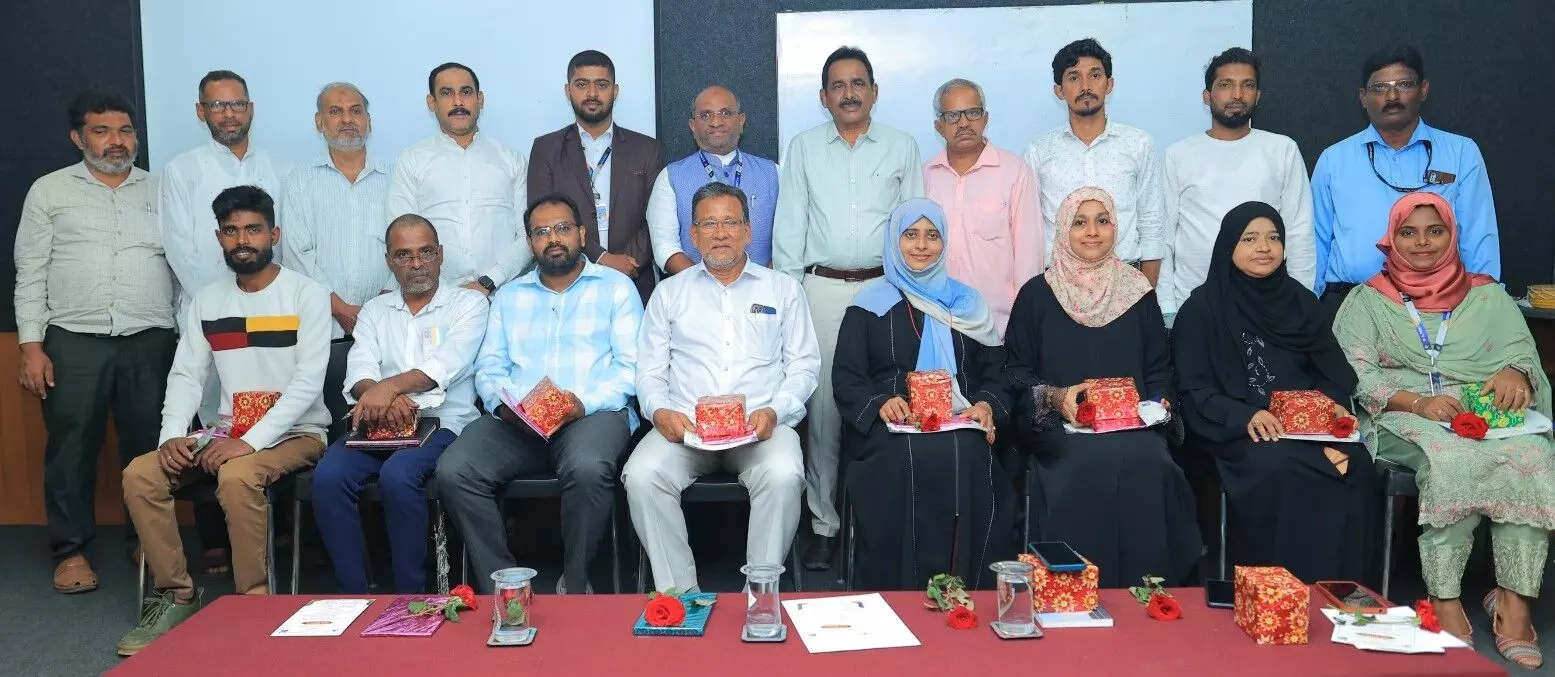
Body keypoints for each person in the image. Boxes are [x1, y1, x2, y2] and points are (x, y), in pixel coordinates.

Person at [1334, 192, 1551, 668]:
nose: (1422, 243)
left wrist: (1516, 373)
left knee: (1533, 455)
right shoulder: (1367, 300)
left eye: (1435, 231)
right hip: (1402, 411)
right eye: (1408, 233)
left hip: (1480, 409)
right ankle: (1445, 598)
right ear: (1390, 240)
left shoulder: (1488, 295)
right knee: (1451, 457)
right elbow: (1354, 375)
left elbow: (1524, 355)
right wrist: (1419, 402)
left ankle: (1514, 601)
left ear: (1452, 236)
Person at [118, 186, 331, 656]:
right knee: (141, 473)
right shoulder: (207, 300)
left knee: (236, 475)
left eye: (253, 229)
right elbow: (186, 376)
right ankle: (177, 595)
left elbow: (307, 385)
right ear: (219, 238)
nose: (242, 240)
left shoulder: (307, 294)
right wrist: (172, 437)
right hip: (225, 432)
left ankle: (253, 605)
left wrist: (250, 442)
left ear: (274, 234)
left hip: (298, 432)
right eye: (231, 231)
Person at [435, 193, 643, 595]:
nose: (553, 239)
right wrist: (504, 407)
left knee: (587, 468)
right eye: (542, 232)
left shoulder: (615, 288)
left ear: (582, 234)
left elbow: (632, 368)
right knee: (455, 469)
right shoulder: (509, 296)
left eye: (563, 228)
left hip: (591, 415)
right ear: (530, 242)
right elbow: (489, 367)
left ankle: (575, 582)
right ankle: (505, 586)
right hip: (518, 421)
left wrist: (582, 404)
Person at [14, 91, 177, 594]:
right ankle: (71, 552)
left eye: (125, 131)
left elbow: (183, 265)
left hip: (150, 337)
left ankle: (145, 541)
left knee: (148, 446)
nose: (116, 141)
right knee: (72, 447)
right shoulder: (49, 191)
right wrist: (31, 345)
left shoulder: (163, 189)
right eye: (102, 131)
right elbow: (30, 271)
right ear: (78, 137)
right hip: (73, 339)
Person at [624, 183, 818, 593]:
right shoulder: (669, 293)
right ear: (693, 236)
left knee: (784, 475)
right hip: (686, 429)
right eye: (708, 224)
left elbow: (804, 367)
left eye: (730, 222)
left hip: (760, 427)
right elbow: (649, 373)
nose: (720, 233)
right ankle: (680, 598)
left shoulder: (782, 289)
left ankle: (760, 598)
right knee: (642, 475)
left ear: (748, 230)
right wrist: (659, 411)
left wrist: (776, 411)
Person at [772, 46, 924, 569]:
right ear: (823, 97)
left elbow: (916, 224)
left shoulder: (902, 146)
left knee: (892, 396)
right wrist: (790, 298)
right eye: (838, 85)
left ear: (874, 92)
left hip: (888, 289)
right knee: (823, 413)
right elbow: (789, 227)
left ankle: (883, 519)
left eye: (858, 83)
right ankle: (824, 525)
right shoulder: (804, 148)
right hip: (822, 289)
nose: (849, 93)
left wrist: (912, 293)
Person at [1005, 186, 1200, 588]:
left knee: (1153, 463)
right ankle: (1069, 587)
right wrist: (1055, 398)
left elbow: (1159, 370)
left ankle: (1151, 589)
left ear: (1116, 228)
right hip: (1060, 428)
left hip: (1133, 429)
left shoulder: (1137, 293)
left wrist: (1159, 404)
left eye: (1102, 221)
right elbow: (1016, 373)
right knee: (1080, 464)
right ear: (1063, 229)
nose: (1092, 232)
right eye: (1080, 222)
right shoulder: (1037, 295)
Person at [1173, 201, 1373, 582]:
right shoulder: (1202, 309)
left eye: (1273, 237)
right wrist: (1247, 415)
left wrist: (1328, 410)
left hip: (1307, 429)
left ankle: (1340, 589)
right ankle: (1274, 588)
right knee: (1277, 464)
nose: (1264, 247)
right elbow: (1194, 389)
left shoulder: (1301, 303)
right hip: (1240, 432)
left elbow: (1332, 373)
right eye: (1250, 239)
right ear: (1228, 246)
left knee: (1357, 463)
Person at [832, 198, 1015, 590]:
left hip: (961, 423)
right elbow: (847, 378)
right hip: (891, 430)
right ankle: (897, 589)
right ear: (894, 241)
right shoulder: (867, 305)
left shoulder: (968, 304)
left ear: (944, 242)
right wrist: (881, 403)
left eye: (932, 235)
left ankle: (972, 587)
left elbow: (996, 372)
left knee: (971, 453)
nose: (921, 245)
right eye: (910, 234)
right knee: (905, 458)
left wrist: (985, 405)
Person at [311, 215, 488, 594]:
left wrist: (387, 389)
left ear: (441, 255)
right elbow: (359, 371)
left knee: (398, 474)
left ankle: (411, 597)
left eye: (426, 252)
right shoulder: (376, 311)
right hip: (376, 424)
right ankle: (353, 595)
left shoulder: (469, 304)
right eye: (404, 254)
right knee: (327, 476)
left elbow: (445, 366)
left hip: (443, 424)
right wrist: (382, 397)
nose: (417, 263)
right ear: (389, 261)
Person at [159, 70, 291, 570]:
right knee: (217, 419)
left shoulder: (279, 166)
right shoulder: (182, 170)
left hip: (274, 313)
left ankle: (271, 531)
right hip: (210, 312)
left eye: (237, 104)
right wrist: (224, 306)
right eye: (217, 105)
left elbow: (283, 242)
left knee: (271, 413)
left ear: (250, 108)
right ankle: (217, 537)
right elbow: (181, 247)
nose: (229, 113)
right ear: (202, 112)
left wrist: (266, 300)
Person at [1312, 46, 1499, 317]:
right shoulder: (1333, 159)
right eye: (1379, 88)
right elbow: (1315, 240)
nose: (1392, 97)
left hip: (1438, 305)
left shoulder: (1461, 153)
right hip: (1349, 305)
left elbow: (1479, 237)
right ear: (1363, 98)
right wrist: (1307, 309)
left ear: (1423, 89)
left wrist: (1485, 307)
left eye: (1404, 84)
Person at [1160, 48, 1316, 315]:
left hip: (1268, 307)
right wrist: (1167, 308)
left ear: (1258, 95)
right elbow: (1163, 237)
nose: (1237, 94)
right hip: (1193, 305)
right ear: (1207, 96)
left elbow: (1299, 233)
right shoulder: (1178, 154)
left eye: (1248, 85)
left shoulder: (1282, 150)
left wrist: (1300, 303)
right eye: (1225, 85)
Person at [280, 82, 391, 437]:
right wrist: (340, 308)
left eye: (356, 111)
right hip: (323, 331)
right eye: (336, 111)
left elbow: (408, 246)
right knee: (330, 433)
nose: (347, 119)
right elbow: (296, 253)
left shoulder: (395, 177)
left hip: (387, 329)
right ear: (319, 122)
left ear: (369, 120)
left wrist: (378, 308)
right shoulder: (300, 180)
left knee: (386, 428)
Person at [1023, 39, 1165, 285]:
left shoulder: (1138, 144)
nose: (1085, 86)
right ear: (1059, 90)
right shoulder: (1039, 151)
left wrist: (1146, 292)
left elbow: (1151, 221)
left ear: (1109, 84)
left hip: (1125, 279)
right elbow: (1030, 229)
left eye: (1095, 75)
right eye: (1074, 77)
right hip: (1059, 282)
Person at [529, 50, 664, 300]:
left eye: (601, 85)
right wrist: (601, 258)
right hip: (568, 281)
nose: (592, 93)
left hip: (634, 279)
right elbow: (540, 218)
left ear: (615, 90)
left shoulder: (647, 149)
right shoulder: (545, 149)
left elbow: (657, 217)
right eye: (582, 85)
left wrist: (628, 262)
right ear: (568, 91)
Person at [387, 62, 530, 298]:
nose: (458, 102)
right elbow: (401, 236)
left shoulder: (511, 160)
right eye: (446, 93)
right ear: (431, 103)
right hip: (434, 300)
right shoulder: (412, 160)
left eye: (466, 92)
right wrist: (444, 292)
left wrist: (489, 281)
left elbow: (527, 235)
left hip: (502, 295)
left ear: (480, 99)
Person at [923, 78, 1043, 335]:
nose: (964, 123)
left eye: (973, 113)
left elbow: (1029, 256)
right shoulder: (924, 177)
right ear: (938, 126)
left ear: (985, 118)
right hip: (937, 322)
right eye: (953, 116)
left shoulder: (1015, 172)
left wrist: (1024, 322)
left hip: (999, 326)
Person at [646, 85, 780, 274]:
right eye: (705, 115)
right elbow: (665, 248)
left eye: (726, 113)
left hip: (763, 288)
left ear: (741, 120)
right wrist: (705, 285)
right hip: (693, 289)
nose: (716, 122)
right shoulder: (670, 177)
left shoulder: (773, 173)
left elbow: (789, 242)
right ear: (693, 126)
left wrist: (763, 282)